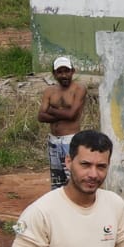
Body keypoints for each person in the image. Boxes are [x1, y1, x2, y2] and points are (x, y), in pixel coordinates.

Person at [38, 56, 86, 189]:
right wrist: (63, 113)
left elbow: (72, 115)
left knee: (73, 176)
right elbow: (41, 116)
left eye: (67, 71)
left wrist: (51, 109)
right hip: (53, 141)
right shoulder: (49, 91)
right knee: (57, 180)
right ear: (54, 74)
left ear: (73, 71)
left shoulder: (79, 89)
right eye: (60, 72)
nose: (64, 75)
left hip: (70, 139)